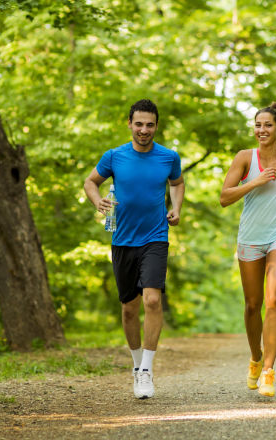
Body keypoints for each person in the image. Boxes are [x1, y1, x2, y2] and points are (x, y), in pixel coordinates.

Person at [83, 99, 185, 400]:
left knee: (152, 301)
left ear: (156, 126)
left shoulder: (168, 157)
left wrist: (176, 207)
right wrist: (97, 201)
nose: (144, 130)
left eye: (149, 124)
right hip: (123, 240)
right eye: (138, 124)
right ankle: (136, 363)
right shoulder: (114, 157)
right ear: (129, 124)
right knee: (129, 309)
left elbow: (177, 183)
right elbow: (90, 182)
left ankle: (146, 371)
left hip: (156, 237)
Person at [219, 102, 276, 397]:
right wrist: (255, 182)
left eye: (268, 125)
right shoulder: (245, 158)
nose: (261, 130)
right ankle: (256, 358)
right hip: (250, 236)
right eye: (258, 125)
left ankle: (269, 371)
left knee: (273, 299)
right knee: (252, 304)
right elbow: (224, 197)